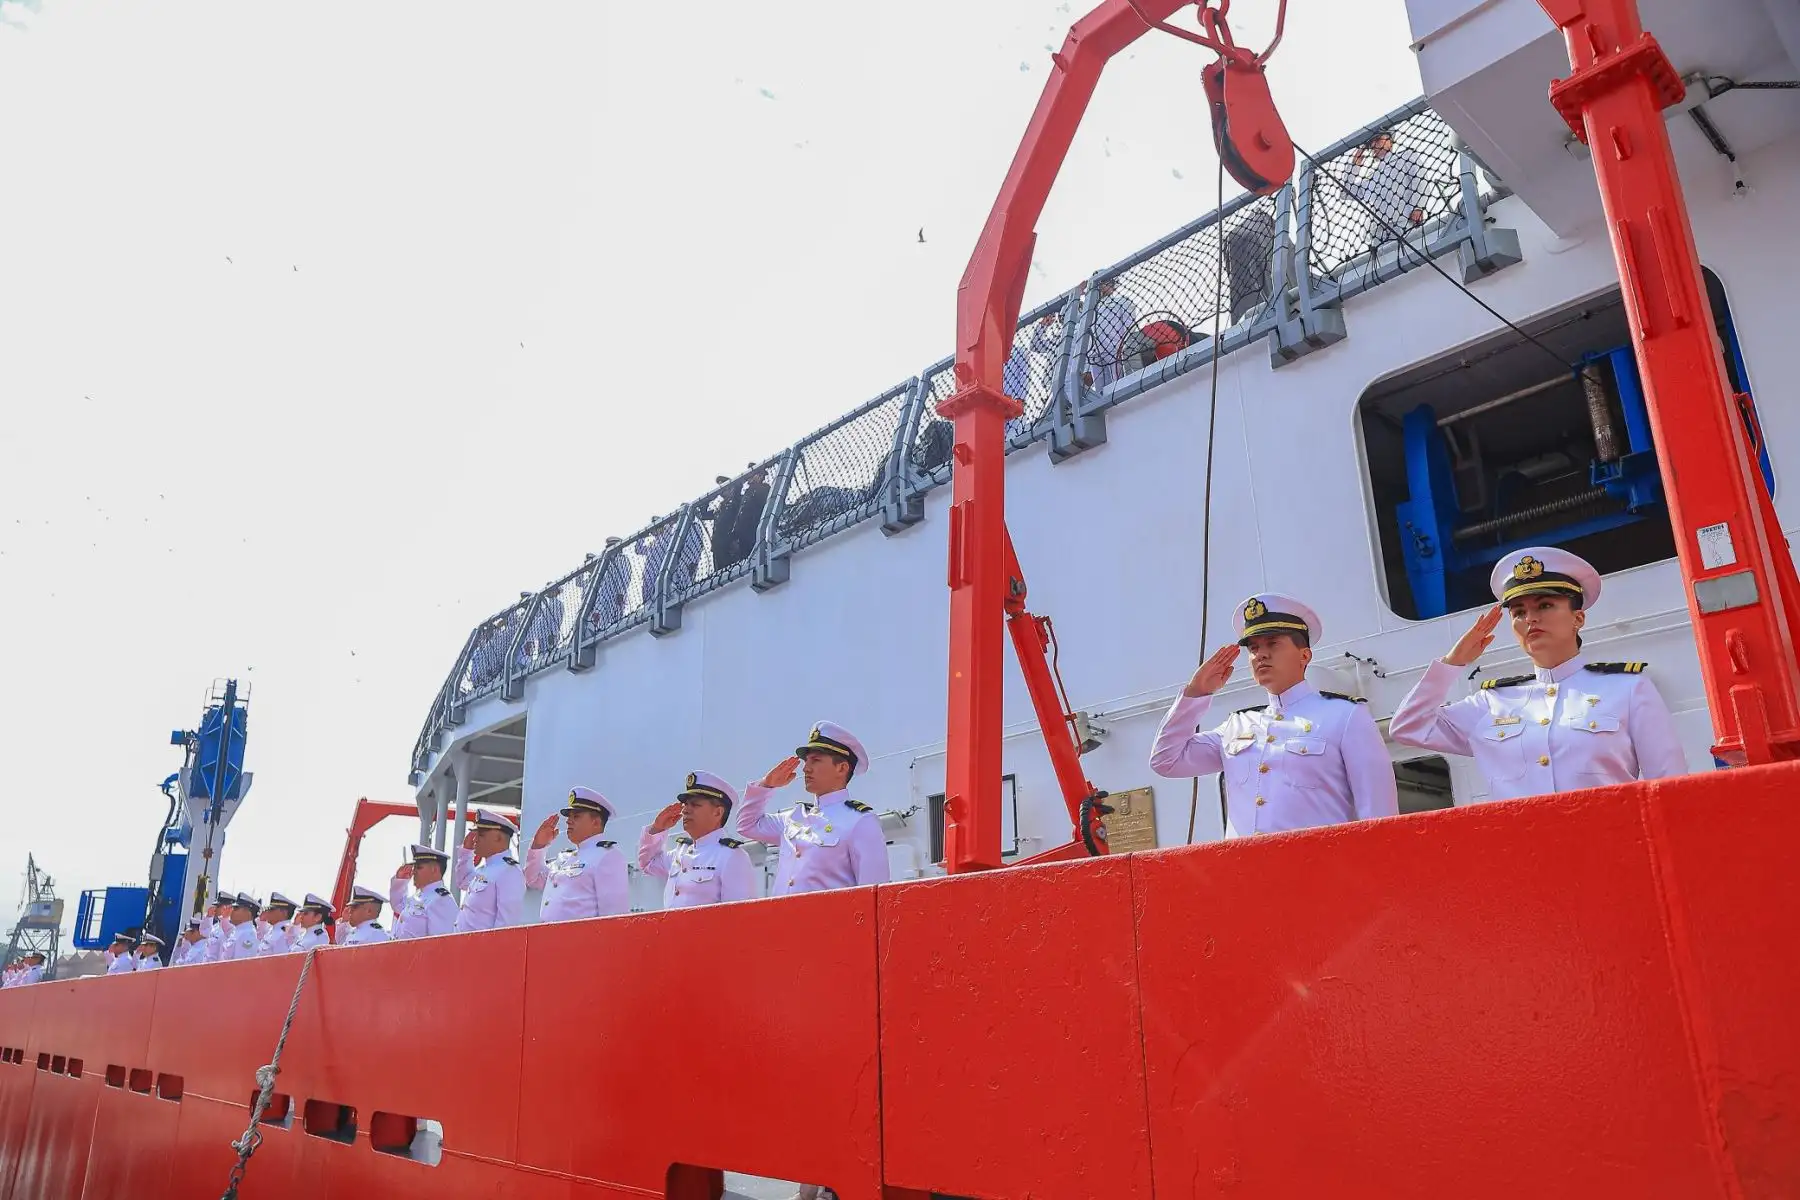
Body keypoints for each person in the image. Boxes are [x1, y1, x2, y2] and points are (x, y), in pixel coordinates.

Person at [1388, 546, 1688, 799]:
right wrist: (1452, 663)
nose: (1530, 618)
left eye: (1544, 605)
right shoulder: (1490, 703)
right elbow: (1408, 726)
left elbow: (1669, 784)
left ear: (1578, 618)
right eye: (1518, 612)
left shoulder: (1629, 690)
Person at [1149, 594, 1400, 836]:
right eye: (1254, 648)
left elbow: (1379, 817)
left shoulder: (1346, 716)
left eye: (1273, 644)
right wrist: (1196, 693)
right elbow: (1166, 761)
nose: (1261, 654)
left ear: (1304, 655)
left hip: (1318, 864)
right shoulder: (1236, 726)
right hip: (1244, 865)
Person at [737, 722, 890, 893]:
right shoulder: (793, 818)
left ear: (842, 768)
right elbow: (746, 825)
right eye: (806, 761)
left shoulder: (860, 821)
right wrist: (766, 785)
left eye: (816, 760)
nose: (806, 768)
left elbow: (874, 893)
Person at [638, 771, 760, 908]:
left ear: (717, 812)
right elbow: (648, 864)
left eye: (695, 805)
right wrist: (657, 829)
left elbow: (740, 914)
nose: (685, 810)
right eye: (685, 804)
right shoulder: (680, 852)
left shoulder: (732, 856)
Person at [524, 788, 630, 923]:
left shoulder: (608, 856)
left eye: (576, 816)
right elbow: (533, 878)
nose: (568, 821)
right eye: (569, 817)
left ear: (596, 822)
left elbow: (613, 918)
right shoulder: (565, 858)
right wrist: (539, 846)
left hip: (582, 936)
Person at [453, 808, 525, 932]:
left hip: (480, 944)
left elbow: (506, 926)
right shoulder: (485, 870)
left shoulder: (509, 872)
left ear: (498, 838)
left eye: (481, 835)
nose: (475, 839)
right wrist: (466, 852)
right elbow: (462, 880)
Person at [390, 845, 460, 939]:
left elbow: (443, 942)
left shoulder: (441, 900)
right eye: (414, 868)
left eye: (418, 868)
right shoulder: (420, 896)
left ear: (434, 870)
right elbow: (398, 905)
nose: (413, 872)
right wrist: (400, 881)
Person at [220, 894, 263, 961]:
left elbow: (240, 965)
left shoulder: (247, 935)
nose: (231, 911)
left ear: (248, 913)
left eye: (236, 908)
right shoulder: (238, 931)